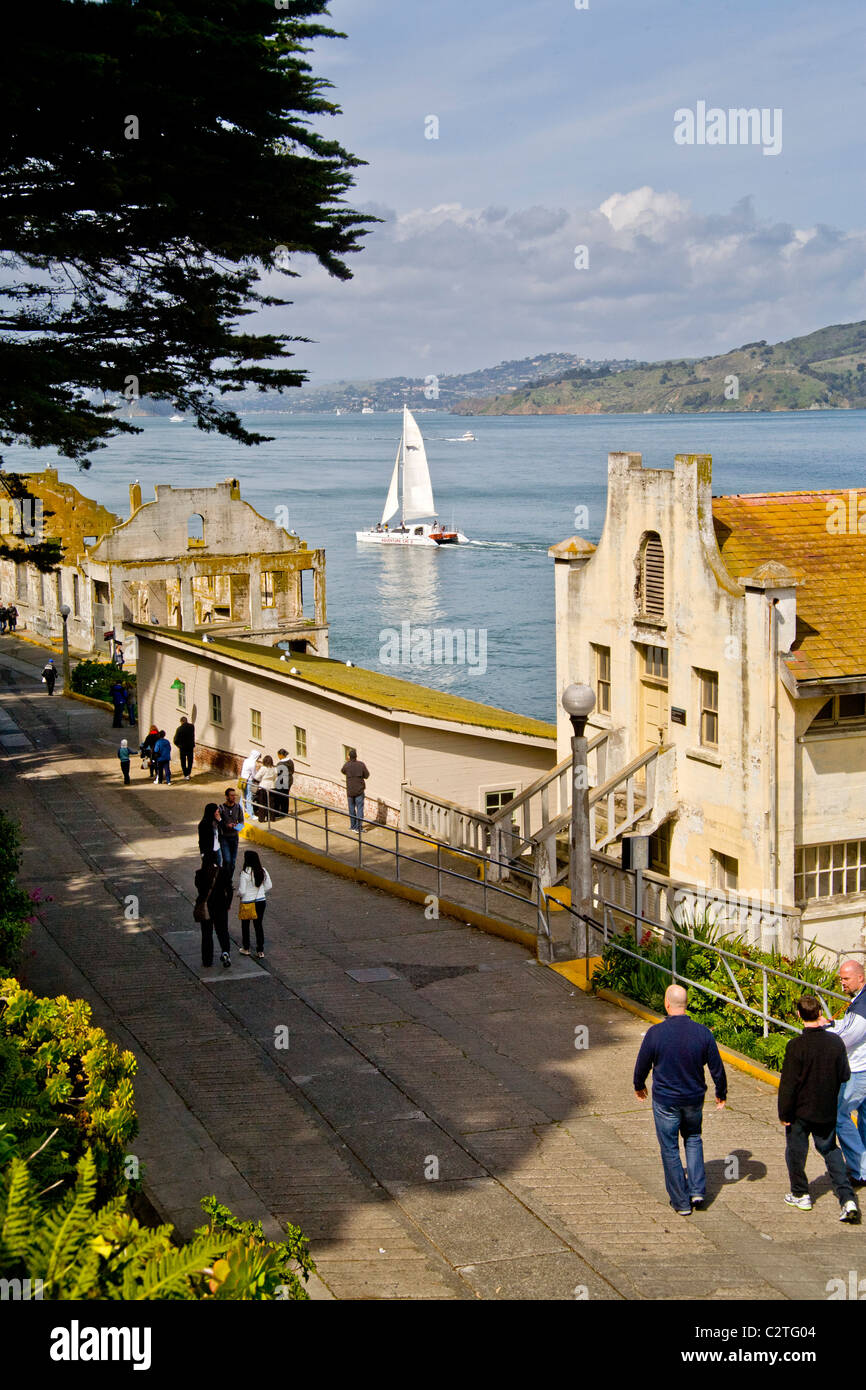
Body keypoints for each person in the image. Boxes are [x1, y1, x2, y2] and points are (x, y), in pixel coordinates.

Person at [633, 983, 727, 1214]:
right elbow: (717, 1068)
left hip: (666, 1100)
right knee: (693, 1138)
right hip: (694, 1098)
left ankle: (681, 1202)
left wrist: (639, 1085)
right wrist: (720, 1093)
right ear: (686, 1005)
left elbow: (642, 1064)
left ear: (667, 1003)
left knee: (670, 1148)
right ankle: (697, 1192)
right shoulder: (703, 1033)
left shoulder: (656, 1033)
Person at [779, 993, 860, 1222]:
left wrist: (784, 1112)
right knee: (830, 1150)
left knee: (796, 1150)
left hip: (800, 1111)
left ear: (799, 1015)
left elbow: (788, 1084)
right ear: (820, 1014)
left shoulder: (795, 1046)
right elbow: (845, 1075)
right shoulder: (835, 1042)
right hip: (826, 1108)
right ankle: (847, 1198)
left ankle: (800, 1193)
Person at [820, 959, 866, 1185]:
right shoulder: (859, 1001)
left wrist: (822, 1031)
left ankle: (860, 1170)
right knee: (864, 1119)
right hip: (861, 1068)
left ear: (860, 977)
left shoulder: (862, 1006)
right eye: (840, 978)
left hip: (858, 1071)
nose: (842, 983)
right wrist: (831, 1024)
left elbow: (847, 1038)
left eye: (846, 978)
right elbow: (847, 1028)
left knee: (840, 1116)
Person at [194, 861, 231, 969]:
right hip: (221, 906)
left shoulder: (200, 873)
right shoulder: (223, 872)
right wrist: (228, 904)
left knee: (206, 934)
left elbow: (199, 888)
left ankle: (207, 960)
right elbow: (229, 890)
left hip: (206, 908)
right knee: (223, 931)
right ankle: (225, 952)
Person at [237, 849, 272, 960]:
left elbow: (242, 891)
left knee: (245, 925)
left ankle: (246, 948)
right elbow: (269, 885)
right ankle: (260, 950)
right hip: (261, 901)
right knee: (258, 925)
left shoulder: (245, 873)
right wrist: (262, 892)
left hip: (248, 902)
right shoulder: (263, 870)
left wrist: (238, 895)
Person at [341, 747, 370, 832]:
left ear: (349, 757)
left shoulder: (347, 765)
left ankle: (352, 826)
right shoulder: (361, 764)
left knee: (351, 809)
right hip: (359, 791)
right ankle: (358, 828)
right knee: (360, 808)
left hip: (350, 791)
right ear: (356, 756)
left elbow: (342, 771)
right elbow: (367, 775)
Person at [219, 787, 244, 876]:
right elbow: (219, 822)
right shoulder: (221, 808)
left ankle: (228, 881)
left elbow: (242, 822)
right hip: (224, 837)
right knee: (227, 860)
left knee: (232, 863)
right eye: (232, 795)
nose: (234, 797)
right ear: (226, 797)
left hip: (234, 837)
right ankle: (225, 881)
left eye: (235, 795)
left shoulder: (238, 807)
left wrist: (237, 827)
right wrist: (226, 825)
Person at [253, 754, 277, 822]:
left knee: (262, 803)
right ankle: (272, 818)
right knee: (271, 803)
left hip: (263, 786)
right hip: (272, 786)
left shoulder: (263, 768)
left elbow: (257, 777)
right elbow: (275, 777)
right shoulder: (274, 769)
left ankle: (262, 819)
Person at [240, 749, 262, 818]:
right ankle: (251, 814)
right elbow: (254, 774)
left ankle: (240, 810)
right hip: (249, 781)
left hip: (242, 779)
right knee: (249, 797)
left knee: (243, 796)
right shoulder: (252, 764)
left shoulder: (246, 760)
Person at [173, 715, 196, 780]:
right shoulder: (192, 727)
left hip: (182, 747)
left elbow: (175, 740)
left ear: (181, 722)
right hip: (190, 746)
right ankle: (188, 773)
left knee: (183, 761)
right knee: (190, 760)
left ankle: (185, 774)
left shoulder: (179, 729)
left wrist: (178, 745)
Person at [273, 748, 295, 817]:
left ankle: (278, 812)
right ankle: (284, 812)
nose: (278, 757)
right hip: (289, 780)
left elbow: (278, 774)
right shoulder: (291, 761)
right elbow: (292, 771)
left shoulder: (280, 764)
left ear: (281, 755)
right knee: (286, 796)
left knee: (279, 796)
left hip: (282, 781)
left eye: (278, 755)